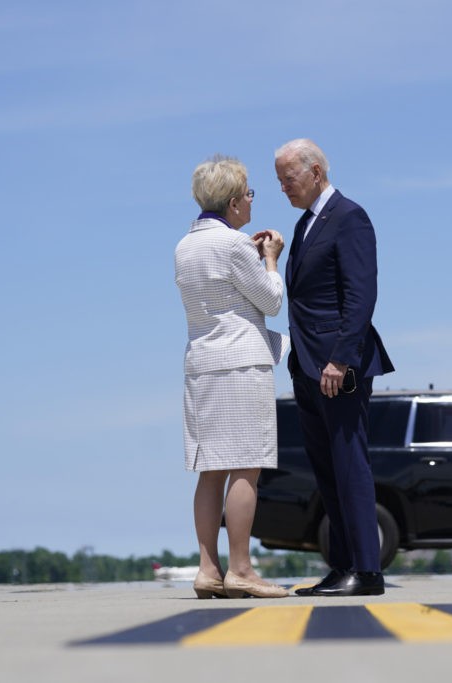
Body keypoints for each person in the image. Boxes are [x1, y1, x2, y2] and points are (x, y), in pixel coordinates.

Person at [275, 138, 394, 597]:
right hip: (306, 369)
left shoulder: (349, 217)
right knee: (327, 473)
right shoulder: (306, 224)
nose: (283, 187)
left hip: (335, 369)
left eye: (289, 177)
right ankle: (341, 565)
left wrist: (340, 359)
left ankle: (366, 571)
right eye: (279, 179)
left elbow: (361, 296)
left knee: (350, 468)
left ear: (316, 173)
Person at [175, 154, 289, 599]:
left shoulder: (185, 246)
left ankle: (208, 568)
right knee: (247, 465)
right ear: (232, 201)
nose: (250, 200)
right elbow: (271, 300)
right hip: (241, 364)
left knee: (210, 469)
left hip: (201, 364)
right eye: (247, 193)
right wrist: (271, 258)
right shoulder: (234, 244)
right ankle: (241, 567)